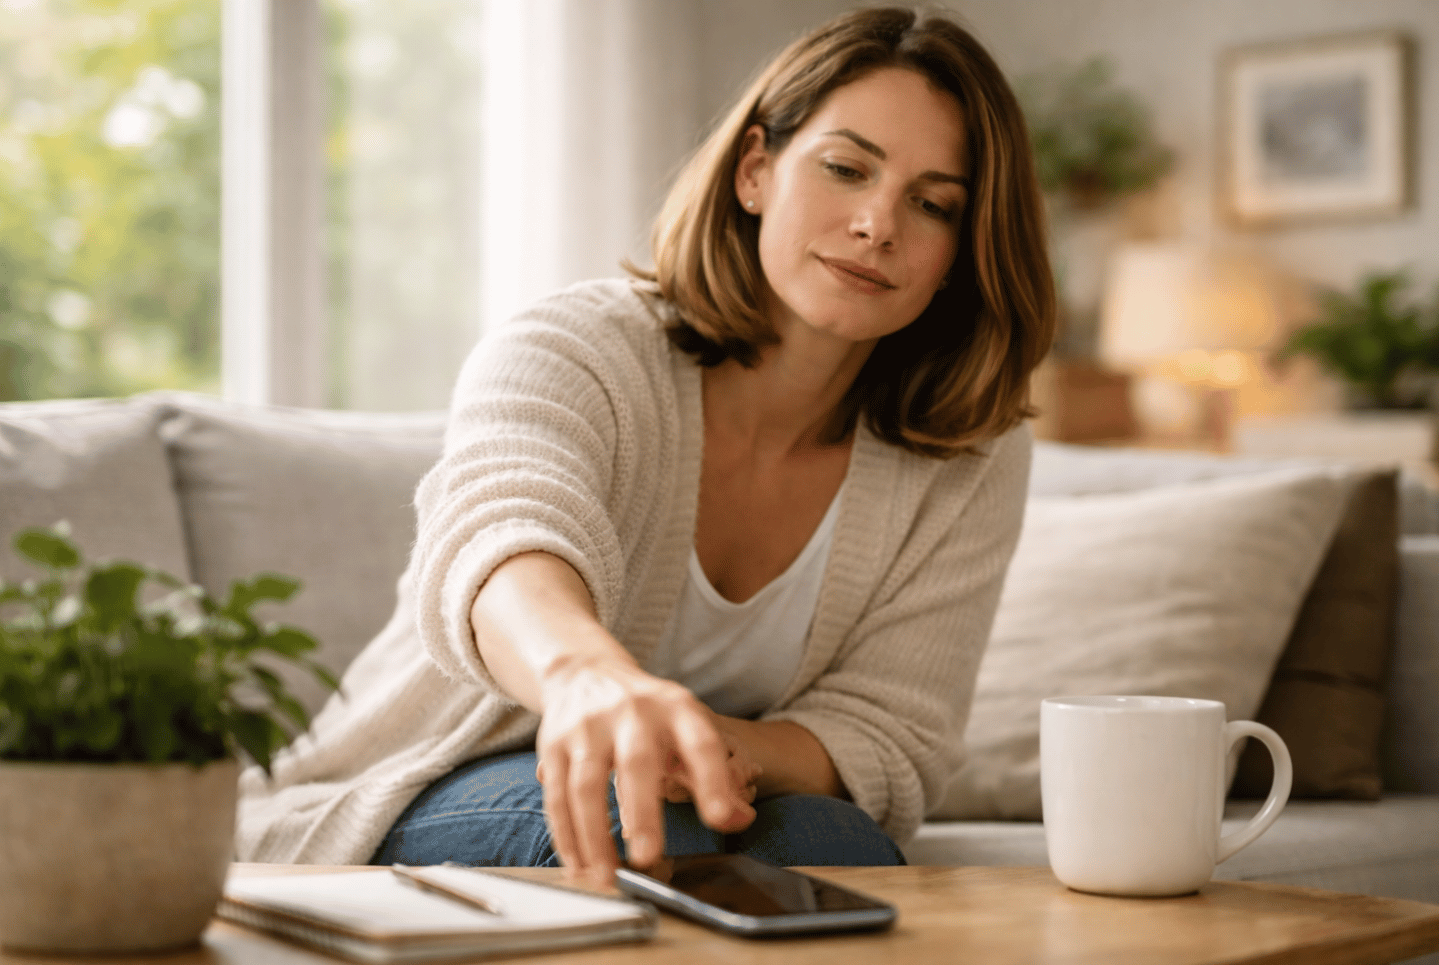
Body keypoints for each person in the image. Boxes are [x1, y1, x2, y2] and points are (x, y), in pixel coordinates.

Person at [236, 5, 1054, 879]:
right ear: (755, 172)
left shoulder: (970, 452)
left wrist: (710, 747)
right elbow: (497, 535)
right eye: (846, 168)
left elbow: (891, 733)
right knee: (646, 838)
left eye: (931, 204)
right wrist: (588, 678)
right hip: (426, 781)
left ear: (963, 247)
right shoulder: (574, 346)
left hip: (719, 792)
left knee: (837, 845)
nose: (877, 224)